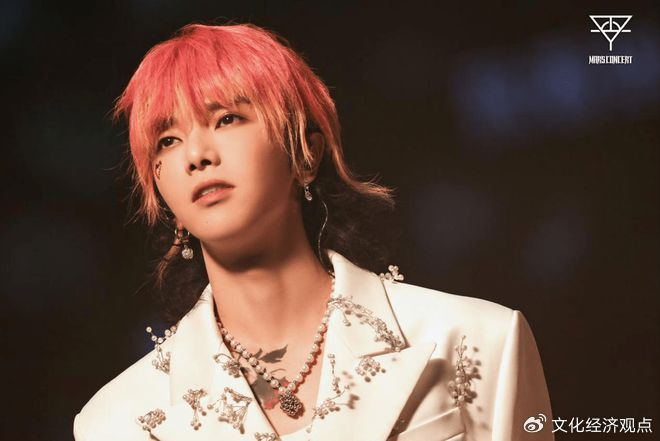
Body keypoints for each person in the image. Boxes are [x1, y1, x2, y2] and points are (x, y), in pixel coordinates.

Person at [74, 23, 554, 441]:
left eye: (227, 119)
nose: (196, 155)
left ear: (305, 155)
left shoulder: (476, 340)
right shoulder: (117, 421)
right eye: (168, 140)